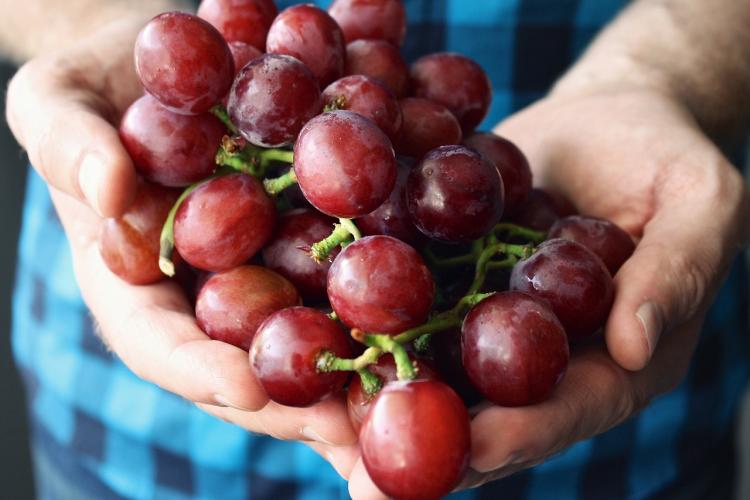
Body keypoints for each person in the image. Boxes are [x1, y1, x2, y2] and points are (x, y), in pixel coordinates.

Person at [3, 0, 750, 498]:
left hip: (632, 459)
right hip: (131, 438)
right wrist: (87, 18)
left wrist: (664, 75)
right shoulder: (262, 155)